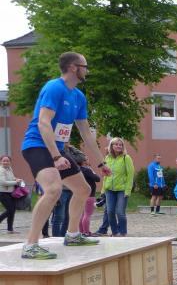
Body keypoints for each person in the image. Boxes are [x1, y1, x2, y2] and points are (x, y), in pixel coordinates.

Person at [20, 51, 111, 259]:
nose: (87, 71)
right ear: (73, 67)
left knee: (83, 189)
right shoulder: (54, 87)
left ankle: (72, 235)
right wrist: (56, 157)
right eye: (85, 66)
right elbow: (43, 122)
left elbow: (86, 133)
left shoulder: (78, 96)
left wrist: (101, 163)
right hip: (37, 145)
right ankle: (31, 245)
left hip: (57, 150)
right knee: (53, 189)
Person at [100, 138, 134, 237]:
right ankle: (115, 232)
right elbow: (106, 175)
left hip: (122, 190)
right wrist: (103, 189)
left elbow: (130, 175)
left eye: (121, 145)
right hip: (109, 190)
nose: (119, 146)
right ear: (111, 146)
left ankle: (122, 232)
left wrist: (128, 190)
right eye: (116, 144)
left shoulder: (126, 158)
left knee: (120, 212)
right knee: (110, 212)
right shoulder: (107, 158)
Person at [76, 154, 100, 236]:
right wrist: (92, 171)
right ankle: (87, 232)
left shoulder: (77, 170)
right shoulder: (87, 170)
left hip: (80, 195)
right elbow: (97, 179)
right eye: (86, 159)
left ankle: (81, 232)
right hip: (89, 195)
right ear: (83, 161)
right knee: (87, 214)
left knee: (82, 214)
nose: (88, 160)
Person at [0, 155, 22, 234]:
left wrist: (16, 179)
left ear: (10, 162)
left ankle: (10, 229)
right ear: (1, 162)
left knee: (12, 211)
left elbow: (11, 178)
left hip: (11, 193)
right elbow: (3, 182)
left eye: (7, 161)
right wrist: (16, 182)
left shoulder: (9, 169)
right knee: (10, 210)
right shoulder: (1, 170)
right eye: (4, 161)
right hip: (3, 193)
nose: (6, 162)